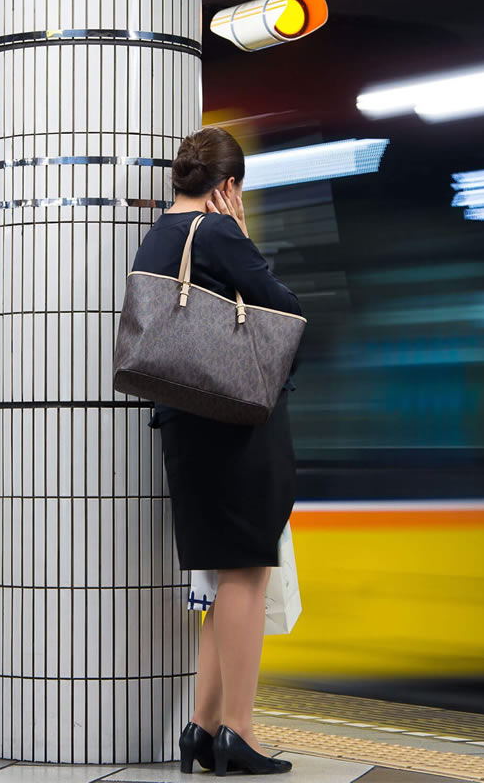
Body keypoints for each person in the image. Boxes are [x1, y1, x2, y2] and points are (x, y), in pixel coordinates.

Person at [131, 126, 300, 776]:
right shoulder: (218, 233)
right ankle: (241, 731)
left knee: (223, 574)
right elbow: (283, 311)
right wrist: (244, 234)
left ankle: (201, 728)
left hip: (184, 424)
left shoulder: (156, 237)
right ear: (227, 187)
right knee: (246, 574)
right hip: (234, 426)